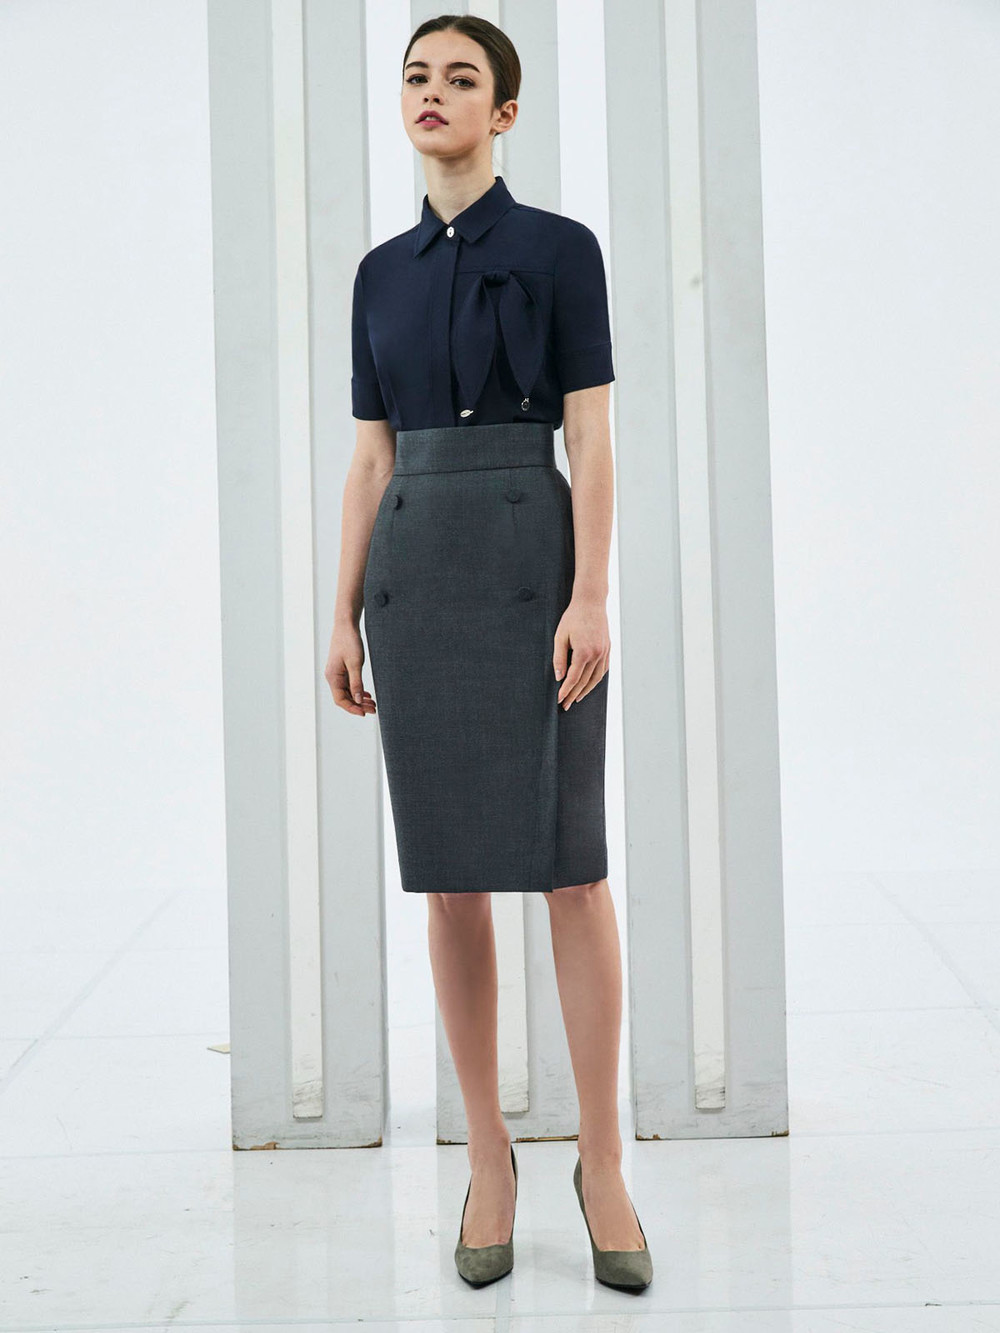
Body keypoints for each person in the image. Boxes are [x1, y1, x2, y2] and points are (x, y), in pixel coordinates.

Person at [325, 14, 652, 1292]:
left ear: (504, 112)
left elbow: (593, 435)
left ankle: (604, 1160)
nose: (433, 93)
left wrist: (591, 593)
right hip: (416, 582)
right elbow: (370, 458)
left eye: (461, 78)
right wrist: (341, 613)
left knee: (574, 871)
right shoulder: (377, 273)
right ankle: (489, 1158)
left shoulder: (563, 250)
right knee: (451, 882)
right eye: (416, 76)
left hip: (534, 569)